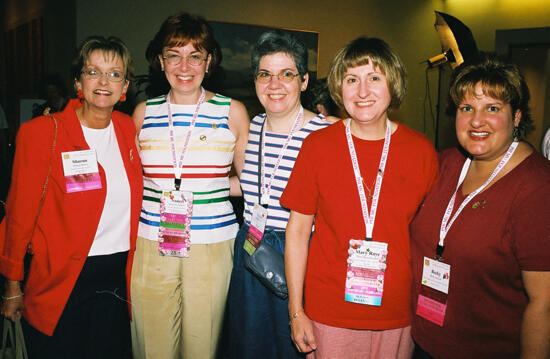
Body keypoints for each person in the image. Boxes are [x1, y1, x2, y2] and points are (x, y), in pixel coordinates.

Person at [280, 37, 439, 359]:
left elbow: (429, 240)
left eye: (374, 78)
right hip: (328, 313)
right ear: (340, 87)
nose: (362, 91)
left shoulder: (421, 151)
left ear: (392, 84)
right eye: (352, 80)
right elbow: (297, 232)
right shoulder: (318, 147)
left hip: (397, 314)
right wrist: (296, 312)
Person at [0, 35, 142, 358]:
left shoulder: (127, 130)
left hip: (116, 284)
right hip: (60, 283)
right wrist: (11, 285)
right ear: (78, 81)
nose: (104, 81)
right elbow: (19, 215)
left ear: (125, 88)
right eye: (93, 72)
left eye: (115, 74)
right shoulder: (42, 133)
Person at [410, 54, 550, 359]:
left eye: (492, 108)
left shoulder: (537, 188)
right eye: (466, 108)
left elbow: (544, 304)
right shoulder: (445, 164)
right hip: (422, 342)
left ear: (516, 117)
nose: (476, 121)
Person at [130, 12, 249, 359]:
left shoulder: (232, 112)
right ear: (160, 61)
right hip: (150, 241)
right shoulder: (143, 113)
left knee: (202, 345)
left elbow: (249, 185)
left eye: (195, 55)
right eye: (174, 54)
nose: (185, 66)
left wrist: (207, 188)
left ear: (208, 61)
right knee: (152, 347)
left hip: (213, 244)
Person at [221, 31, 333, 359]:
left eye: (287, 74)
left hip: (301, 252)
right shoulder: (251, 126)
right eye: (265, 74)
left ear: (304, 81)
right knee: (247, 343)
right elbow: (251, 186)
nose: (275, 84)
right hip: (251, 242)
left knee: (293, 345)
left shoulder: (326, 133)